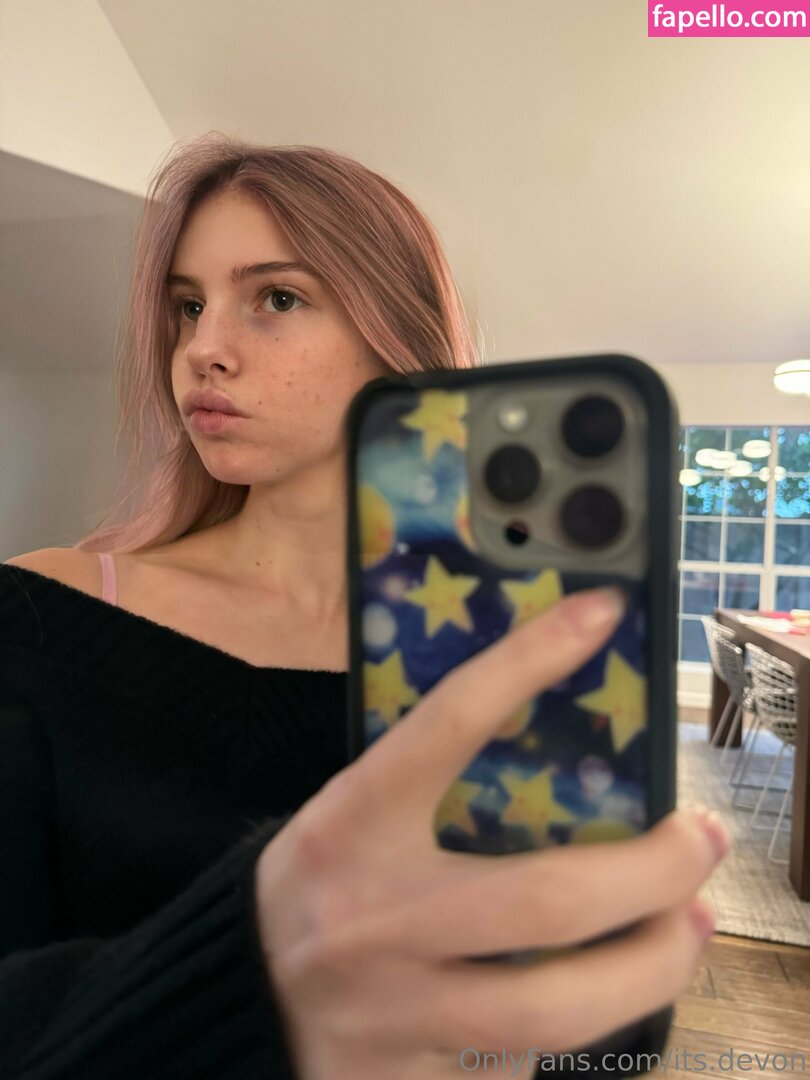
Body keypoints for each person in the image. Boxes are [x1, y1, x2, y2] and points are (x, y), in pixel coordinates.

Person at [0, 132, 729, 1080]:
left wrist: (607, 955)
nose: (202, 349)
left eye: (277, 298)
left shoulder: (507, 652)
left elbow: (594, 1040)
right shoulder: (36, 617)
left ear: (396, 331)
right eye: (188, 306)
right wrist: (262, 986)